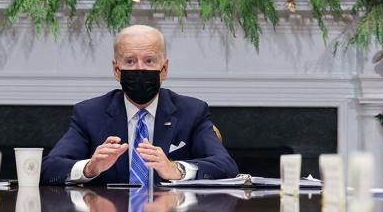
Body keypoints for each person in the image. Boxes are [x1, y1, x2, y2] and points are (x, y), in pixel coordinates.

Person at [41, 24, 238, 185]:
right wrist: (89, 168)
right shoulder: (90, 114)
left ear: (164, 69)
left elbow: (225, 165)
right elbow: (50, 168)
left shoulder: (191, 112)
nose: (140, 69)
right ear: (116, 70)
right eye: (130, 61)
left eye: (149, 60)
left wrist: (175, 169)